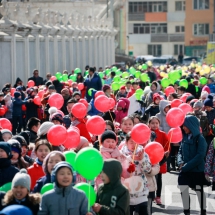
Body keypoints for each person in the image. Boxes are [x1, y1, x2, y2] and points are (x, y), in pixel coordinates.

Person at [178, 115, 207, 215]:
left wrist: (186, 166)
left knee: (199, 191)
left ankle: (203, 211)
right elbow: (180, 151)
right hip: (185, 170)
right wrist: (180, 162)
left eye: (185, 125)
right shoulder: (184, 137)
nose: (183, 128)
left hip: (197, 171)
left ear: (191, 125)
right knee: (183, 189)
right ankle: (187, 212)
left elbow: (200, 156)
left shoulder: (200, 139)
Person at [121, 132, 151, 215]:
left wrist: (141, 160)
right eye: (131, 142)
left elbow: (148, 170)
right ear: (126, 142)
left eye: (135, 142)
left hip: (141, 191)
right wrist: (129, 159)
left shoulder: (143, 153)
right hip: (126, 191)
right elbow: (119, 170)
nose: (134, 145)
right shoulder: (121, 154)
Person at [148, 116, 169, 205]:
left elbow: (167, 145)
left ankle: (158, 196)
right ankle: (150, 195)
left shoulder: (163, 134)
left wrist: (165, 154)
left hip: (160, 159)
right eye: (152, 123)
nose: (154, 125)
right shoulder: (146, 133)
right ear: (149, 124)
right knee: (149, 178)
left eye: (156, 123)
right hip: (148, 159)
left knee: (159, 178)